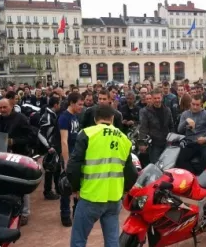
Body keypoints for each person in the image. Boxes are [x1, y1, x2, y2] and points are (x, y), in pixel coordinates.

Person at [67, 105, 138, 247]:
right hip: (114, 198)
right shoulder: (124, 139)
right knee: (112, 242)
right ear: (112, 118)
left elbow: (73, 166)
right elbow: (131, 172)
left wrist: (75, 188)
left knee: (79, 240)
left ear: (95, 118)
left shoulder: (87, 134)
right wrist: (124, 190)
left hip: (90, 196)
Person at [0, 99, 35, 225]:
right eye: (0, 107)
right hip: (1, 157)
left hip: (19, 156)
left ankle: (25, 213)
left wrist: (14, 141)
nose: (2, 110)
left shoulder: (21, 118)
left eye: (5, 107)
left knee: (21, 184)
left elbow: (31, 136)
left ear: (12, 106)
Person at [58, 92, 84, 227]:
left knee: (77, 185)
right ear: (72, 103)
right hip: (69, 157)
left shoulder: (75, 117)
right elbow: (64, 141)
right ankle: (65, 214)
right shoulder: (64, 118)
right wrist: (66, 161)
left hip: (76, 156)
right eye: (79, 104)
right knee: (66, 186)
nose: (81, 107)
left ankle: (77, 213)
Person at [176, 94, 206, 175]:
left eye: (197, 105)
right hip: (190, 143)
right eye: (193, 104)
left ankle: (202, 176)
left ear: (201, 104)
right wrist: (186, 121)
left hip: (203, 143)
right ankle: (193, 175)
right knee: (180, 160)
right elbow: (179, 130)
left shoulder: (205, 114)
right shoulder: (185, 114)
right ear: (190, 103)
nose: (195, 107)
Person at [138, 89, 174, 163]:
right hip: (154, 143)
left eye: (158, 98)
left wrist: (172, 139)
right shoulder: (145, 111)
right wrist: (142, 143)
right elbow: (143, 128)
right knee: (155, 165)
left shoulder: (167, 110)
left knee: (167, 164)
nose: (157, 100)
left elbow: (171, 125)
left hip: (166, 142)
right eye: (155, 98)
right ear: (152, 98)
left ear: (162, 98)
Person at [38, 96, 62, 200]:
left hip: (55, 146)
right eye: (59, 103)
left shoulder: (52, 115)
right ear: (56, 105)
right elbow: (40, 133)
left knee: (57, 168)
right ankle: (47, 191)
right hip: (50, 147)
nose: (60, 105)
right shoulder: (47, 117)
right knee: (49, 169)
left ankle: (57, 188)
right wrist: (48, 146)